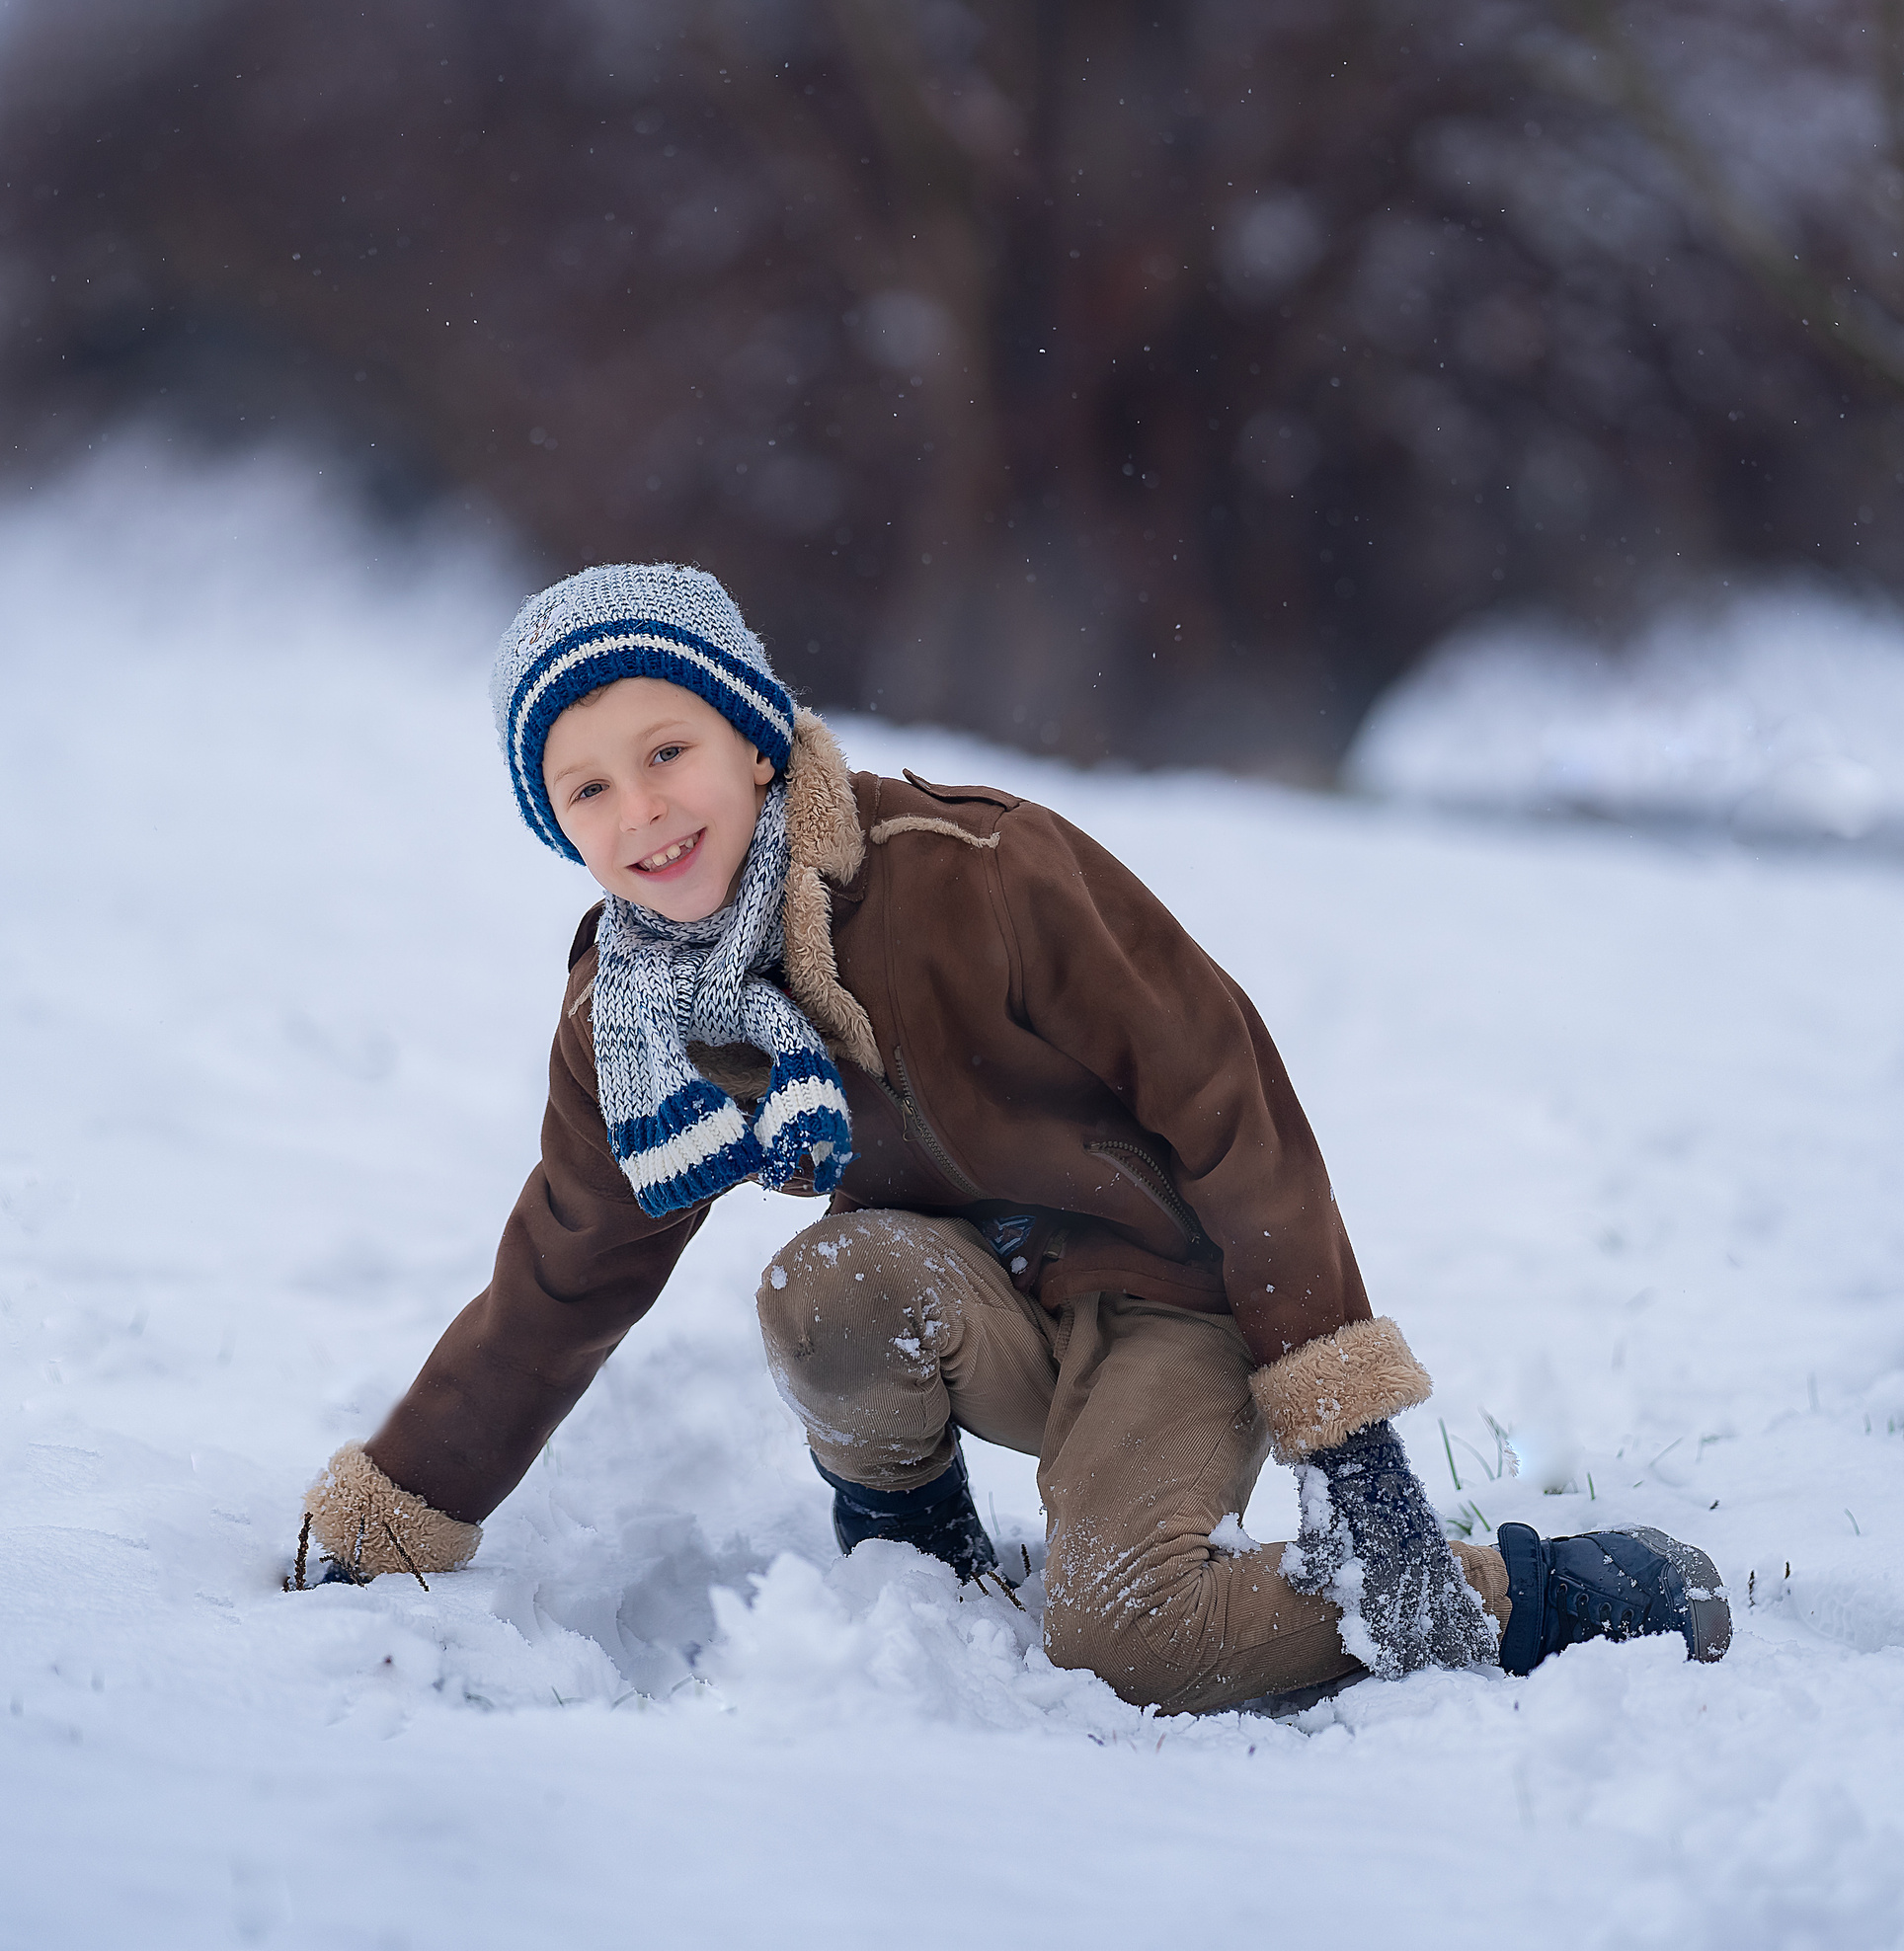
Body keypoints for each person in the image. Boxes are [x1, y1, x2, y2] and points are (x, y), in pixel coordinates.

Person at [294, 563, 1731, 1711]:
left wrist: (1350, 1451)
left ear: (751, 731)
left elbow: (1237, 1114)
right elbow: (567, 1272)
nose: (640, 812)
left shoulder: (978, 872)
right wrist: (397, 1512)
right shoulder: (641, 1013)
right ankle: (918, 1568)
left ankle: (1525, 1593)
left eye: (666, 750)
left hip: (1176, 1305)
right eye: (585, 787)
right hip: (990, 1308)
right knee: (826, 1286)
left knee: (1131, 1642)